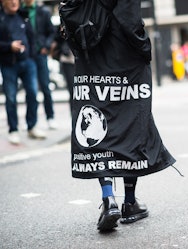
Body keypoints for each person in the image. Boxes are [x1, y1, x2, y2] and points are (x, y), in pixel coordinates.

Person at [63, 0, 176, 231]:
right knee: (130, 123)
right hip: (123, 53)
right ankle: (130, 202)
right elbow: (130, 19)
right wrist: (145, 49)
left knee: (95, 123)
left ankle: (108, 199)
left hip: (90, 53)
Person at [0, 0, 46, 145]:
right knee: (11, 98)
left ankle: (32, 126)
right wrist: (9, 46)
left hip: (28, 63)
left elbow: (32, 38)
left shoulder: (23, 16)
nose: (14, 2)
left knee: (33, 93)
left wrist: (32, 56)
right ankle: (13, 130)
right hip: (9, 64)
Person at [22, 0, 57, 129]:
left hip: (40, 54)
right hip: (27, 56)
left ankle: (50, 117)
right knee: (31, 91)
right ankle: (31, 121)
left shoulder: (43, 11)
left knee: (45, 87)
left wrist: (46, 46)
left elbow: (52, 31)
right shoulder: (20, 11)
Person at [50, 29, 74, 112]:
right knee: (73, 90)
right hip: (68, 59)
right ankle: (74, 115)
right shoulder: (64, 20)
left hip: (82, 59)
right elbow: (56, 38)